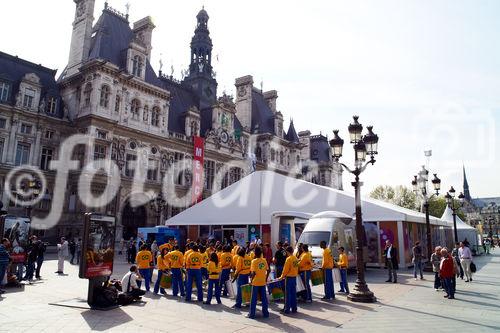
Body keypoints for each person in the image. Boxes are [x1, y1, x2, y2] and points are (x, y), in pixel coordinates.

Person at [248, 246, 269, 319]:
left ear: (255, 253)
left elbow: (253, 273)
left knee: (253, 299)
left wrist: (251, 280)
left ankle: (252, 314)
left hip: (256, 282)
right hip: (262, 281)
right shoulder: (264, 260)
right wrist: (265, 278)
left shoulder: (254, 261)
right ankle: (266, 313)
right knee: (264, 299)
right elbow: (268, 270)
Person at [280, 246, 298, 314]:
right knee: (293, 294)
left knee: (287, 294)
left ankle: (287, 309)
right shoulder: (295, 258)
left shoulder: (288, 259)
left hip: (289, 278)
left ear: (287, 252)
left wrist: (281, 277)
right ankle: (294, 308)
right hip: (294, 277)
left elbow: (285, 270)